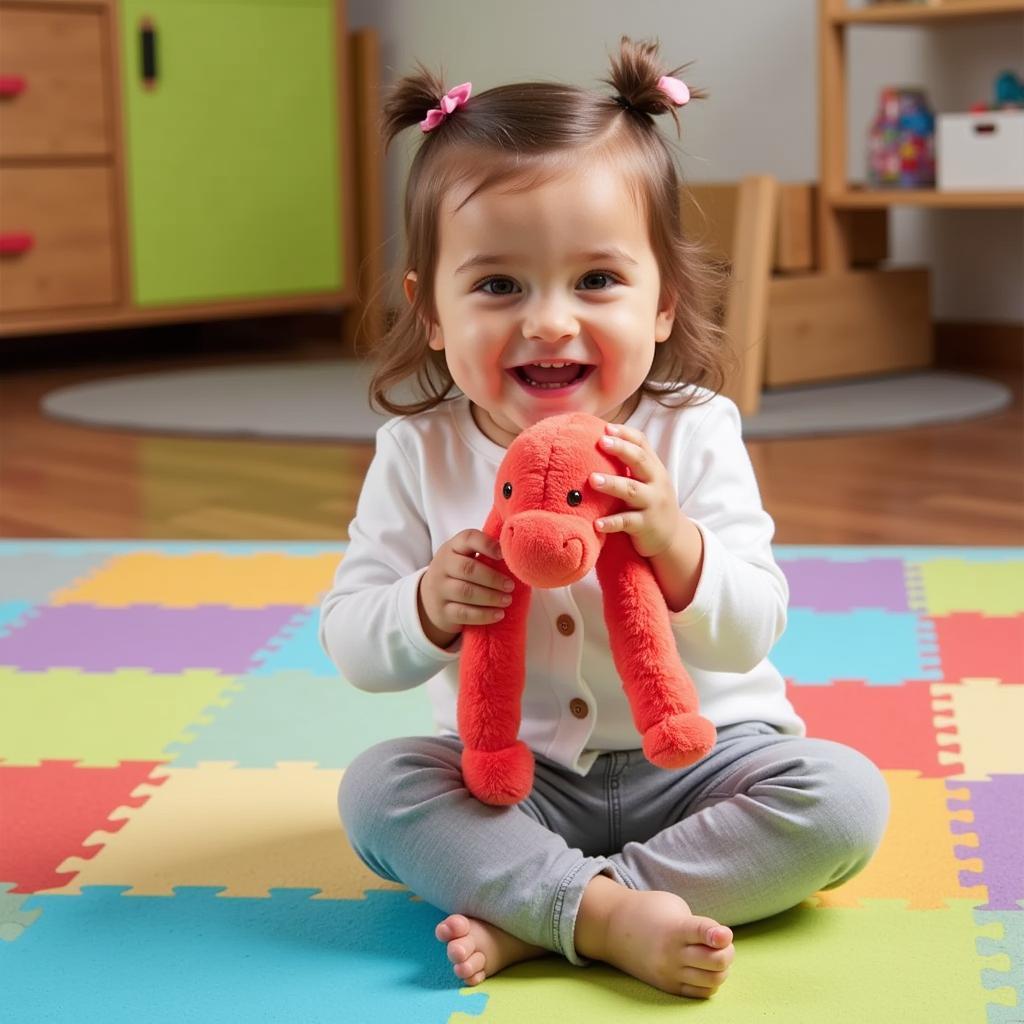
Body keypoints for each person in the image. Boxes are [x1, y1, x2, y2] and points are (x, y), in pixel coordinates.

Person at [320, 36, 890, 1000]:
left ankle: (563, 913)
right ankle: (597, 913)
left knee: (844, 801)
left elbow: (755, 622)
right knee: (378, 791)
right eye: (499, 284)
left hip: (705, 763)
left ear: (663, 301)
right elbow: (352, 643)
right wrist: (423, 605)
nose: (549, 321)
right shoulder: (418, 453)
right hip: (513, 775)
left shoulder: (696, 431)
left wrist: (678, 547)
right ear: (430, 312)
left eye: (596, 281)